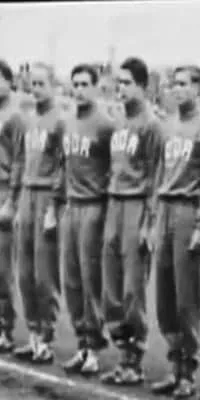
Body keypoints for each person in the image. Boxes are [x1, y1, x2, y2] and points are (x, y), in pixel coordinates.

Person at [150, 65, 200, 398]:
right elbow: (160, 172)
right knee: (164, 295)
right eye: (174, 84)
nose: (177, 89)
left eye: (183, 84)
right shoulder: (168, 124)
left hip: (188, 210)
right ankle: (173, 365)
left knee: (186, 295)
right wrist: (152, 219)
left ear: (198, 88)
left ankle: (188, 371)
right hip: (165, 208)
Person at [99, 57, 164, 385]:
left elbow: (155, 177)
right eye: (119, 83)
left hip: (137, 205)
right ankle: (122, 352)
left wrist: (149, 223)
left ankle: (134, 358)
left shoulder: (151, 125)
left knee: (132, 289)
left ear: (142, 86)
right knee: (110, 286)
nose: (121, 88)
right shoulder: (119, 121)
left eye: (127, 83)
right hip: (115, 202)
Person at [60, 63, 114, 376]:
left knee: (91, 278)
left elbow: (115, 166)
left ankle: (94, 346)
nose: (79, 90)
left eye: (84, 84)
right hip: (72, 205)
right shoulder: (68, 121)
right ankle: (81, 343)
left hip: (94, 206)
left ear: (94, 87)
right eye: (75, 84)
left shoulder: (105, 124)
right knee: (71, 280)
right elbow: (63, 165)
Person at [12, 62, 64, 364]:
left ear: (53, 85)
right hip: (27, 194)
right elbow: (21, 160)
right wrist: (17, 201)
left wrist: (54, 208)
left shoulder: (60, 121)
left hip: (46, 196)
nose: (36, 89)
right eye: (33, 83)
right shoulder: (29, 119)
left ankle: (46, 336)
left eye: (42, 83)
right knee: (25, 273)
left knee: (45, 275)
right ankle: (33, 334)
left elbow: (63, 166)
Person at [0, 59, 24, 352]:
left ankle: (5, 327)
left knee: (2, 267)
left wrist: (11, 202)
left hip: (4, 190)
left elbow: (20, 160)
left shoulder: (15, 117)